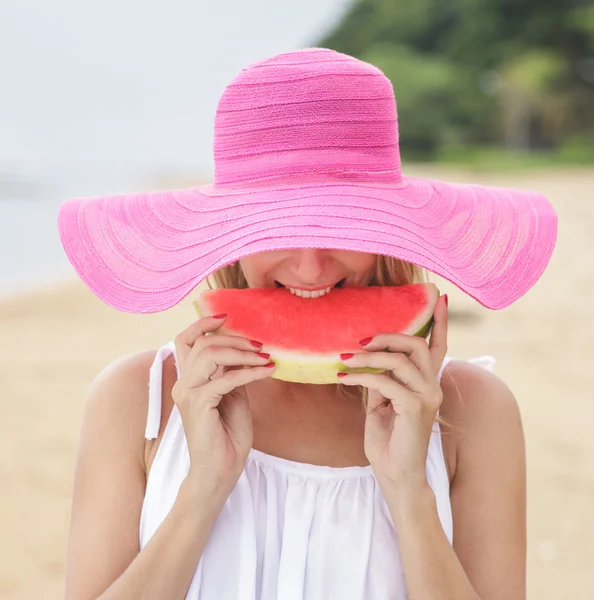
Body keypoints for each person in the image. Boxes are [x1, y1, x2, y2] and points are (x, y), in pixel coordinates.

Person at [58, 48, 557, 600]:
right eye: (274, 230)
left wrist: (410, 491)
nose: (310, 267)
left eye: (345, 227)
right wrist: (203, 487)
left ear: (389, 232)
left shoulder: (473, 410)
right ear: (229, 237)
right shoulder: (138, 402)